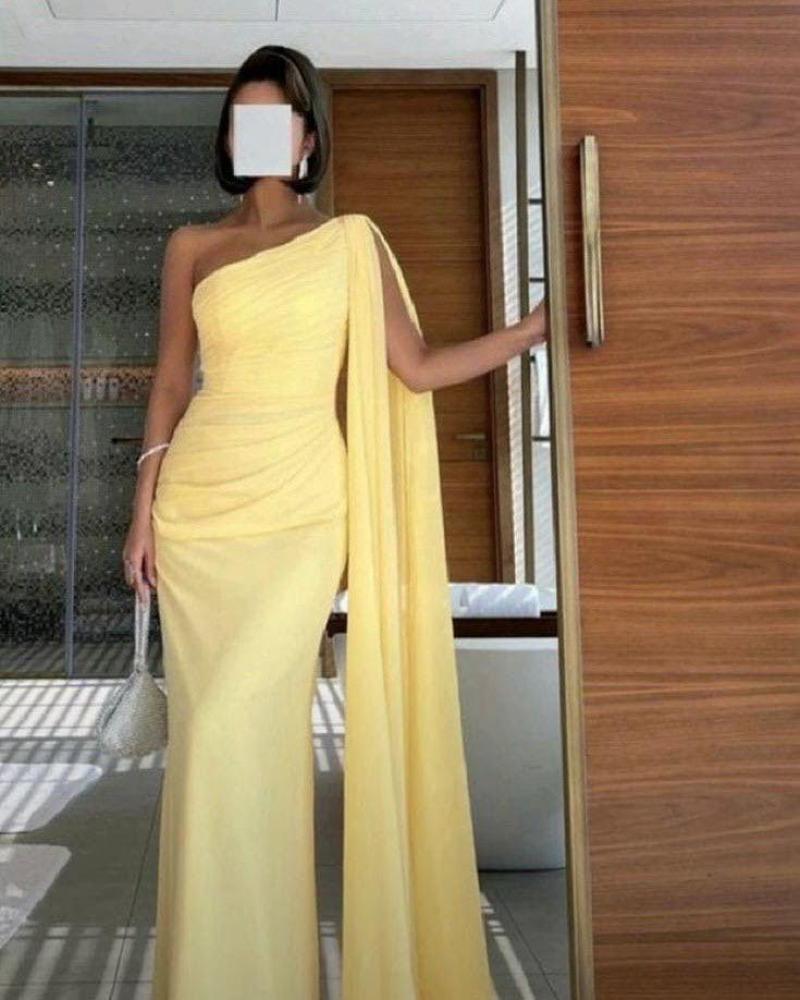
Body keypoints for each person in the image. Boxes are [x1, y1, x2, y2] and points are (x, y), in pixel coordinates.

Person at [122, 44, 547, 1000]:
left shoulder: (352, 241)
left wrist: (526, 335)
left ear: (308, 139)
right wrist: (142, 511)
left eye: (274, 118)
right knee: (211, 750)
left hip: (300, 509)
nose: (256, 133)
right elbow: (170, 384)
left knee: (242, 733)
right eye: (242, 118)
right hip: (199, 511)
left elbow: (416, 367)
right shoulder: (192, 246)